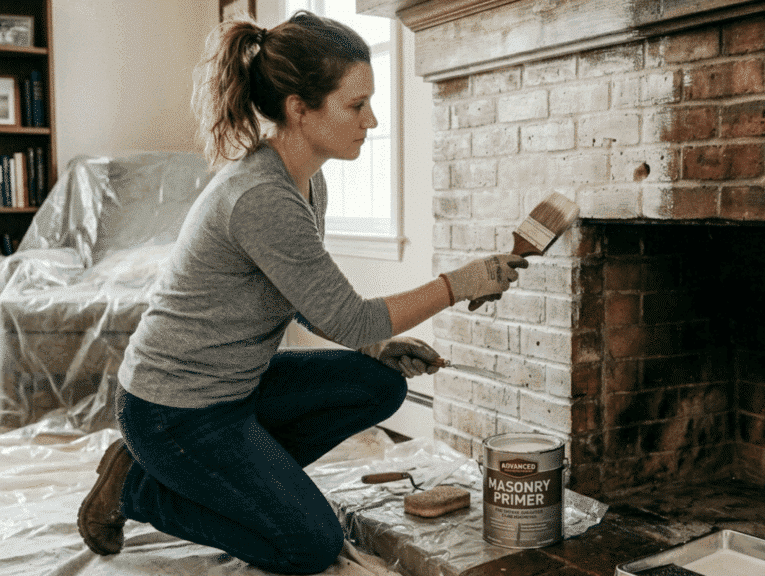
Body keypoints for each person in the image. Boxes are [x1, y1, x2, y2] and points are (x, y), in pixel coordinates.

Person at [76, 11, 527, 575]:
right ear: (298, 108)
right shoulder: (260, 196)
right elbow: (352, 317)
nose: (372, 119)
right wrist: (460, 284)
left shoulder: (307, 181)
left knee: (379, 383)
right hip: (174, 413)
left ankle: (232, 480)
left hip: (233, 389)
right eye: (355, 105)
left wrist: (370, 350)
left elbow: (311, 302)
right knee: (311, 546)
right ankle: (141, 491)